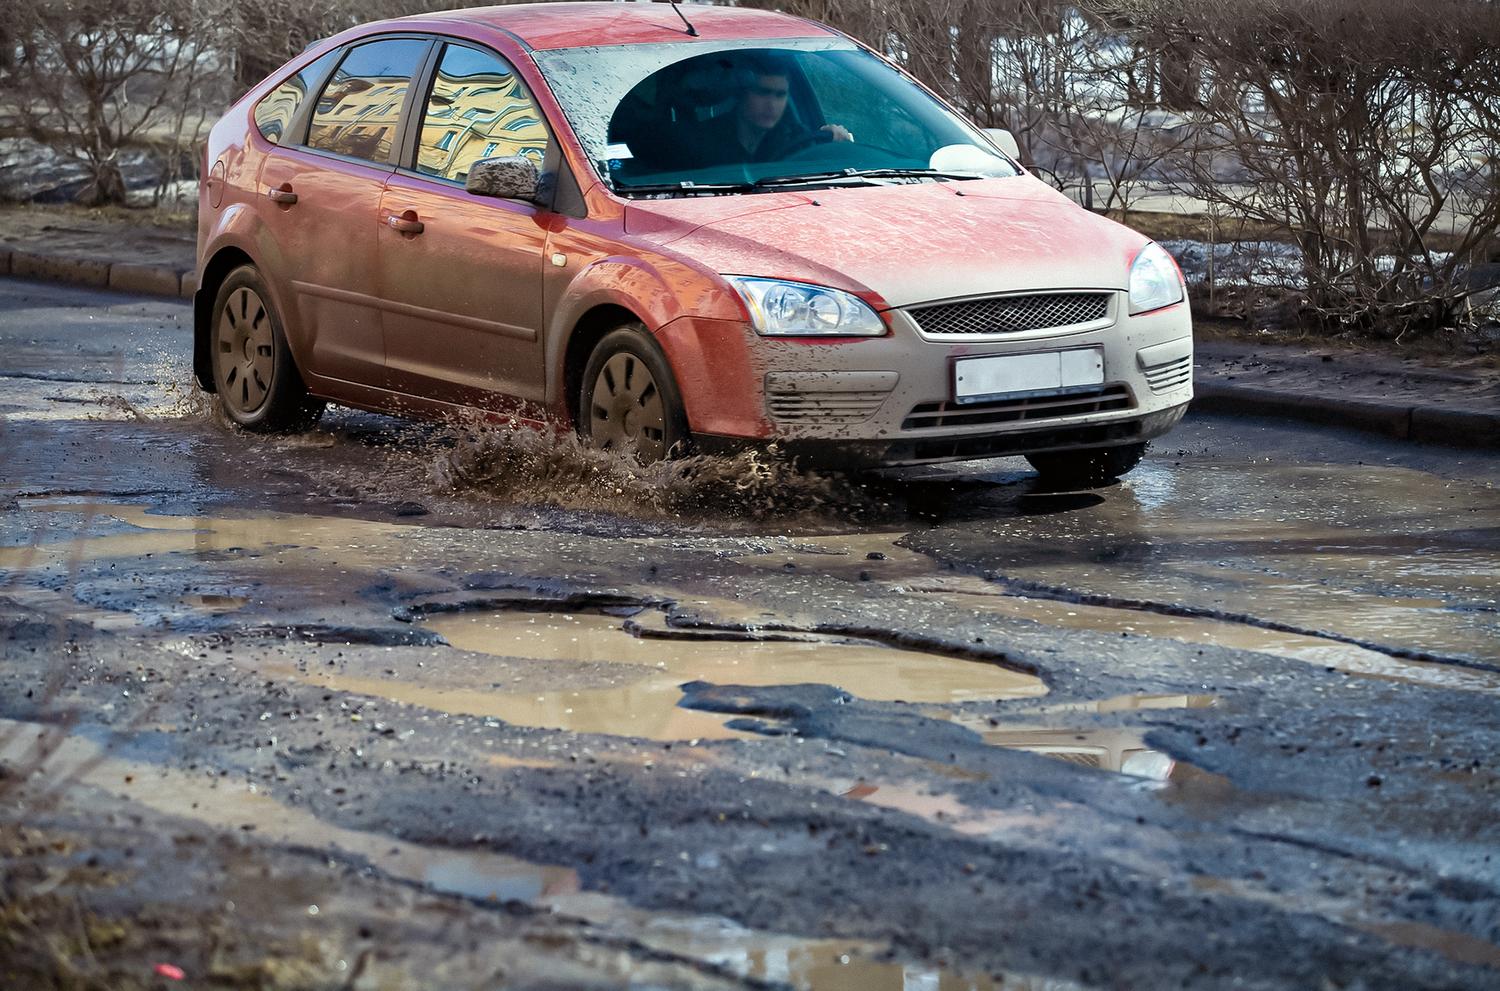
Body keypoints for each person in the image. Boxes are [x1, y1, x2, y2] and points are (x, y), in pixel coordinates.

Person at [694, 55, 853, 167]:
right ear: (742, 93)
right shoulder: (703, 140)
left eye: (780, 95)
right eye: (763, 93)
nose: (772, 104)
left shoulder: (797, 139)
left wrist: (836, 145)